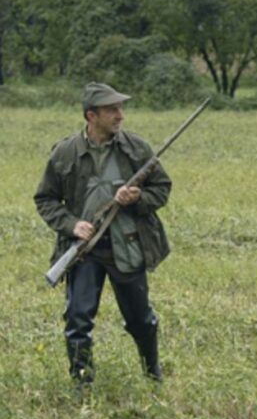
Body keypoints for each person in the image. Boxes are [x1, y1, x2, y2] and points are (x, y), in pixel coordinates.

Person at [34, 82, 172, 387]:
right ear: (91, 115)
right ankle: (82, 384)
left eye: (121, 109)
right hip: (85, 251)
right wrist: (72, 225)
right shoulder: (65, 152)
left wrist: (137, 199)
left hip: (128, 247)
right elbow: (45, 199)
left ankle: (153, 376)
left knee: (141, 320)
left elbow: (162, 189)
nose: (120, 115)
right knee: (78, 321)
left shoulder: (137, 148)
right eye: (112, 110)